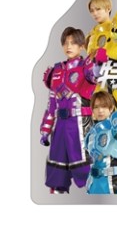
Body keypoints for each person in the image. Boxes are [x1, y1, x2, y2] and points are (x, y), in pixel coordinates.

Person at [40, 26, 99, 193]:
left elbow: (95, 75)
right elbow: (51, 105)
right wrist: (45, 130)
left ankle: (95, 196)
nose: (69, 46)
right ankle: (59, 193)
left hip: (80, 124)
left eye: (73, 43)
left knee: (86, 169)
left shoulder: (86, 66)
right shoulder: (56, 70)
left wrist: (100, 63)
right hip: (60, 127)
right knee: (57, 171)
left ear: (81, 46)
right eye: (65, 43)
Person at [86, 0, 117, 109]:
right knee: (97, 109)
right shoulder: (93, 32)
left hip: (111, 72)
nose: (95, 13)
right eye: (92, 11)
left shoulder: (116, 26)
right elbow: (89, 55)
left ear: (108, 8)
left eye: (98, 9)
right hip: (95, 77)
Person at [84, 91, 117, 194]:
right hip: (94, 181)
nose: (100, 110)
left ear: (111, 109)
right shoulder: (92, 131)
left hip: (112, 182)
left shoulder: (114, 127)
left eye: (104, 106)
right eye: (96, 107)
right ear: (92, 110)